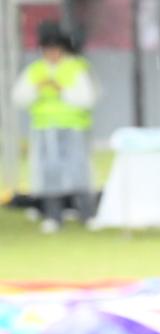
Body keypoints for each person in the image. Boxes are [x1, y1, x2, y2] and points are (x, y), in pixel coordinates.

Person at [10, 25, 98, 232]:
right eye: (47, 49)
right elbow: (19, 97)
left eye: (55, 48)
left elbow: (87, 98)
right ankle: (52, 215)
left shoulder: (75, 68)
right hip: (45, 129)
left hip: (73, 128)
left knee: (79, 172)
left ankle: (87, 214)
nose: (51, 53)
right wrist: (37, 89)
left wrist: (61, 89)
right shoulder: (35, 71)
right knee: (49, 173)